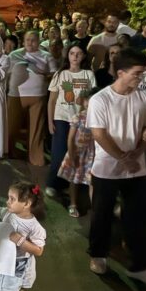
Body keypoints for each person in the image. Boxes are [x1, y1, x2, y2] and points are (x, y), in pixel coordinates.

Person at [86, 49, 146, 286]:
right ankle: (98, 254)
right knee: (102, 213)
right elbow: (98, 133)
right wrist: (121, 156)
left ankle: (138, 265)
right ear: (121, 72)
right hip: (106, 168)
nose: (140, 78)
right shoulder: (101, 99)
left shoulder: (144, 98)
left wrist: (140, 148)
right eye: (137, 73)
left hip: (136, 169)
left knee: (137, 216)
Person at [45, 43, 97, 195]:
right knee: (59, 153)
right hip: (61, 118)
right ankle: (53, 184)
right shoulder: (60, 74)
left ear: (83, 56)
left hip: (81, 120)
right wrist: (50, 121)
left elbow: (93, 99)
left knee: (75, 153)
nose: (75, 56)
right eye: (72, 53)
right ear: (67, 55)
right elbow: (52, 100)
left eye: (78, 53)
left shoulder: (89, 75)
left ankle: (71, 185)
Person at [7, 31, 58, 166]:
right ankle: (9, 153)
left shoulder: (46, 56)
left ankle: (35, 157)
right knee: (10, 128)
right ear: (23, 41)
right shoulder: (14, 55)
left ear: (39, 40)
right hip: (15, 96)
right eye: (27, 40)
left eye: (33, 40)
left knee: (36, 130)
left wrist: (41, 72)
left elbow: (54, 76)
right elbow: (5, 74)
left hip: (38, 97)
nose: (30, 42)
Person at [57, 89, 97, 217]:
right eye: (88, 101)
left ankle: (96, 206)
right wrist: (72, 154)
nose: (90, 104)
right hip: (77, 153)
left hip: (91, 154)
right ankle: (73, 204)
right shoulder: (78, 117)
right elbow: (70, 138)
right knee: (74, 179)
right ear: (84, 102)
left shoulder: (99, 118)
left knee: (92, 181)